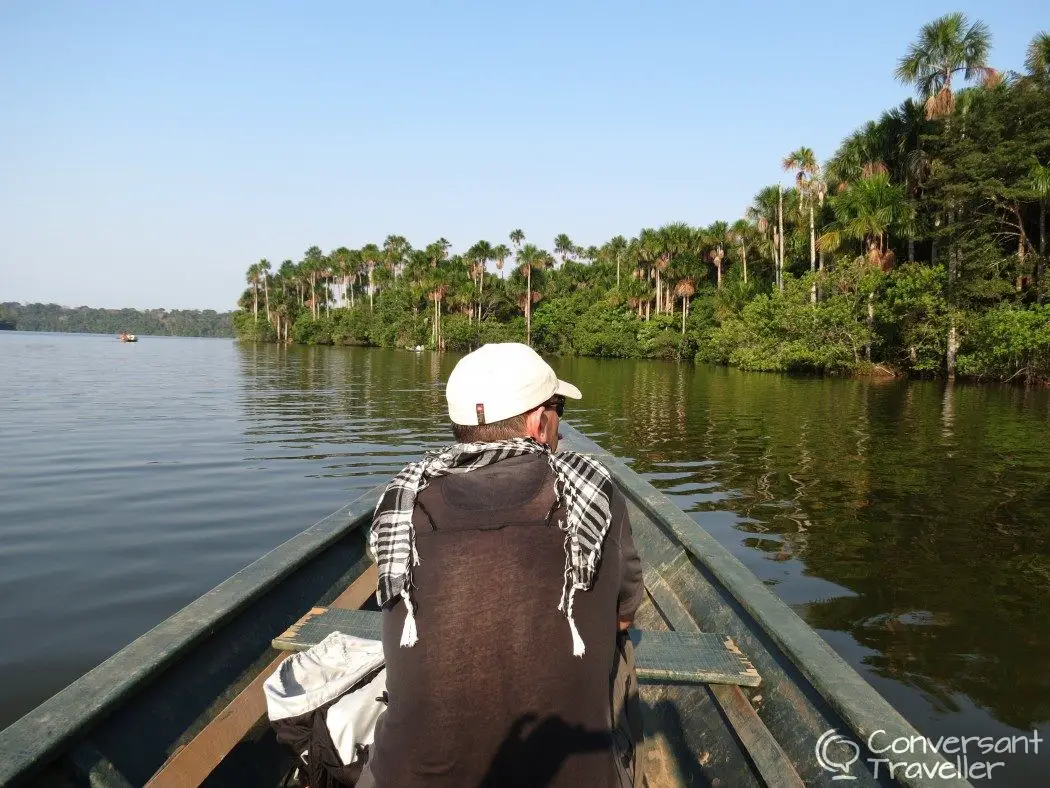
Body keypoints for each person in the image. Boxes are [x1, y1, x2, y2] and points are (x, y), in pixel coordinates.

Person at [359, 342, 645, 788]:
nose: (560, 423)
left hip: (404, 779)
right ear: (539, 422)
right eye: (559, 407)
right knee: (622, 649)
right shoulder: (594, 490)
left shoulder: (401, 501)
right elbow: (624, 615)